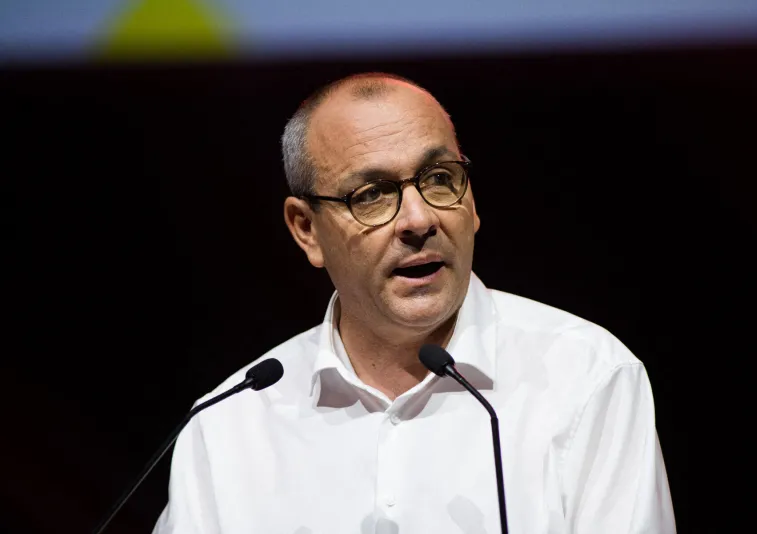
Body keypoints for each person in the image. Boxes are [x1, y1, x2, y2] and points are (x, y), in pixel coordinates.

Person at [154, 73, 675, 533]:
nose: (419, 220)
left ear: (471, 203)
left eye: (439, 179)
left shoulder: (586, 378)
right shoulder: (229, 425)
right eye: (373, 194)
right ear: (307, 230)